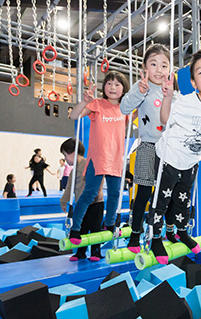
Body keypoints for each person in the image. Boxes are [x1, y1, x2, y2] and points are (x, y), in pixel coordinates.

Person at [148, 49, 201, 264]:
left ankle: (181, 232)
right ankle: (155, 238)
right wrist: (167, 97)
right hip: (168, 158)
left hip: (190, 162)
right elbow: (165, 118)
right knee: (162, 200)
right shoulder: (186, 101)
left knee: (183, 201)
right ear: (194, 83)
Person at [119, 44, 171, 253]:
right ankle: (135, 232)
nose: (159, 70)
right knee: (143, 193)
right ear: (145, 68)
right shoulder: (142, 87)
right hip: (148, 146)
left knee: (163, 195)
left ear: (170, 69)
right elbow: (124, 107)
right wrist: (139, 93)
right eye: (154, 64)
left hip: (168, 149)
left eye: (164, 65)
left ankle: (158, 234)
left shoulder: (172, 92)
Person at [68, 71, 129, 245]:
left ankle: (109, 223)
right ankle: (75, 227)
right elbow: (74, 115)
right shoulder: (97, 104)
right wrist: (85, 101)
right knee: (90, 193)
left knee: (115, 194)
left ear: (123, 89)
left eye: (117, 84)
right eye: (109, 83)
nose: (112, 87)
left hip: (116, 158)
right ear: (104, 87)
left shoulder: (126, 108)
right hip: (98, 157)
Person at [60, 138, 103, 261]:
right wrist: (64, 201)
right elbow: (69, 187)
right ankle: (81, 252)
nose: (65, 158)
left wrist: (96, 193)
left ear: (74, 152)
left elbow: (99, 179)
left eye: (65, 155)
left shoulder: (89, 163)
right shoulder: (73, 171)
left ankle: (96, 251)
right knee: (81, 228)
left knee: (95, 229)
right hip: (80, 205)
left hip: (95, 203)